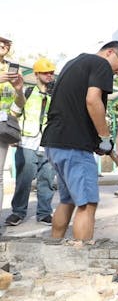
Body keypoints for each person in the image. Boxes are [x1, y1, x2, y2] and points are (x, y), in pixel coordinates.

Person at [41, 41, 118, 242]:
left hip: (56, 142)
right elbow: (92, 100)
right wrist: (104, 137)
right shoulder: (101, 64)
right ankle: (81, 260)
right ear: (110, 52)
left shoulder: (73, 63)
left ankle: (52, 248)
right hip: (74, 146)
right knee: (87, 204)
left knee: (68, 200)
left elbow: (74, 106)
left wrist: (94, 142)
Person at [5, 57, 56, 227]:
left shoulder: (55, 95)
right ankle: (18, 212)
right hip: (26, 143)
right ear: (36, 74)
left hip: (49, 145)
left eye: (51, 72)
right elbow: (14, 112)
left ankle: (44, 213)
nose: (49, 75)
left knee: (47, 180)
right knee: (23, 181)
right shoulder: (26, 92)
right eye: (45, 72)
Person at [0, 35, 26, 225]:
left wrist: (19, 90)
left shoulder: (11, 69)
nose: (3, 45)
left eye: (6, 43)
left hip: (3, 127)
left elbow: (18, 106)